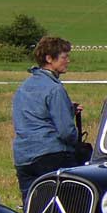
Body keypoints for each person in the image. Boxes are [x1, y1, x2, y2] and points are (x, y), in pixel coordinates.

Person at [12, 36, 83, 201]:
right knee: (70, 204)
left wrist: (68, 109)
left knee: (34, 207)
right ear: (49, 59)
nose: (68, 61)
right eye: (64, 57)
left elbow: (32, 116)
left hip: (23, 158)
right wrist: (76, 143)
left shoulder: (24, 87)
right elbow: (66, 131)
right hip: (51, 155)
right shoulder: (55, 89)